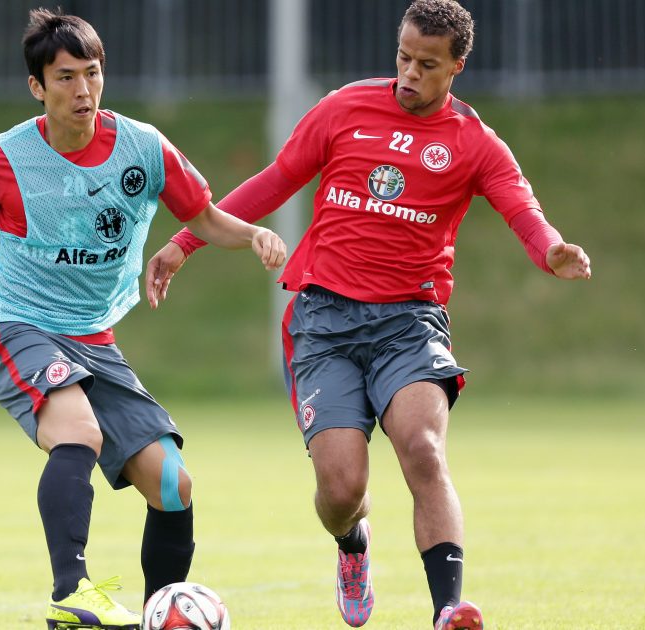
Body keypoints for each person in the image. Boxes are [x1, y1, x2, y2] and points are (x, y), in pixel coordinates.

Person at [147, 1, 591, 628]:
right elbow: (276, 180)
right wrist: (184, 242)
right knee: (341, 490)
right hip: (323, 323)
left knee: (423, 449)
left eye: (427, 64)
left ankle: (448, 608)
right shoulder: (344, 108)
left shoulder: (474, 143)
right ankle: (353, 542)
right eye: (404, 57)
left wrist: (550, 250)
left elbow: (522, 209)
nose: (410, 73)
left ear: (456, 68)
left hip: (409, 323)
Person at [0, 9, 285, 629]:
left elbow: (204, 216)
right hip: (20, 323)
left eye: (92, 73)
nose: (83, 90)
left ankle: (161, 613)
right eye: (66, 77)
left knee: (173, 485)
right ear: (37, 86)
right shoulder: (2, 159)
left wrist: (253, 235)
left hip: (94, 338)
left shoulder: (143, 147)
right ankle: (71, 592)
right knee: (78, 431)